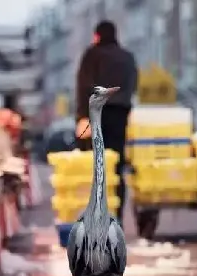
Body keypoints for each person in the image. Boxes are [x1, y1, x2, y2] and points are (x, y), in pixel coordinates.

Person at [75, 20, 138, 225]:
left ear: (98, 36)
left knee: (94, 164)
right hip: (120, 116)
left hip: (97, 114)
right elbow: (132, 85)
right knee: (116, 165)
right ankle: (117, 213)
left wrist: (81, 117)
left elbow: (84, 86)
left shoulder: (92, 55)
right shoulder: (127, 57)